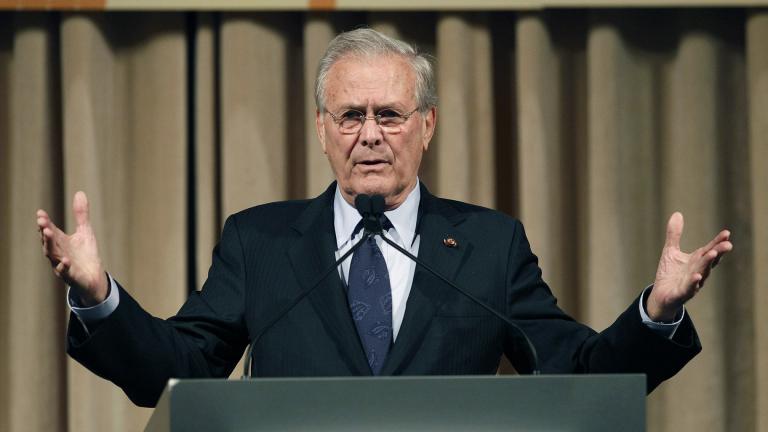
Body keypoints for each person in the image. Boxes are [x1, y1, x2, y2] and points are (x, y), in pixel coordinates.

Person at [36, 28, 732, 408]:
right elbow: (177, 370)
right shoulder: (260, 242)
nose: (369, 134)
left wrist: (657, 312)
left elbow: (578, 370)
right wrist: (99, 297)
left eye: (389, 115)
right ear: (322, 129)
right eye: (350, 115)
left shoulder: (489, 245)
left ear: (426, 126)